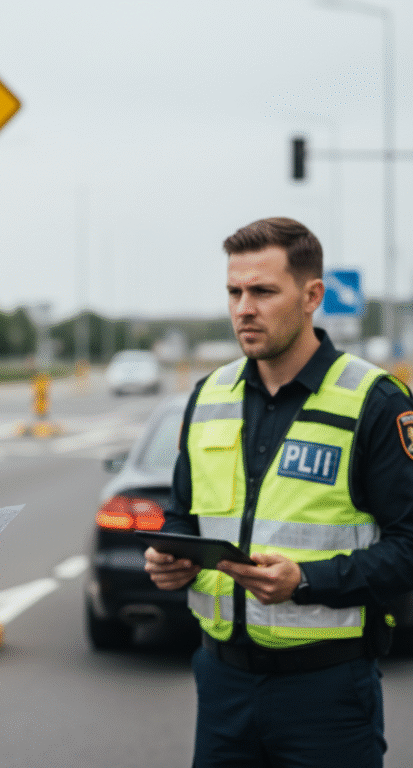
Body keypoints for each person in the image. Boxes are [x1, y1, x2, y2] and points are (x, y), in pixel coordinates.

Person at [144, 217, 413, 767]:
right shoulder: (208, 397)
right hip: (222, 686)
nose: (244, 308)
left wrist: (307, 580)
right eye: (234, 292)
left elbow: (409, 547)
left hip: (328, 692)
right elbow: (183, 518)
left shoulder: (375, 401)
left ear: (312, 295)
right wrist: (172, 558)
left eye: (263, 291)